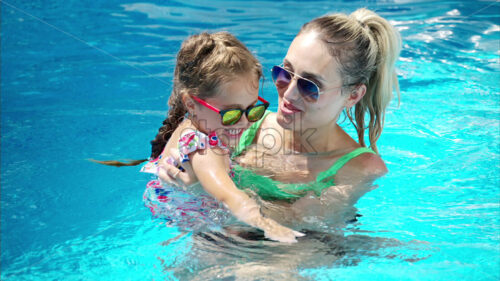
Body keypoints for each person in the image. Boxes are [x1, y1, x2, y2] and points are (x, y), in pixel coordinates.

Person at [159, 8, 402, 227]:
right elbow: (179, 146)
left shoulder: (359, 168)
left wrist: (203, 188)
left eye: (309, 86)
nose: (289, 93)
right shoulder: (244, 123)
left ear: (353, 96)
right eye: (284, 73)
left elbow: (297, 224)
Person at [94, 32, 304, 242]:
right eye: (230, 114)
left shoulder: (195, 125)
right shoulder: (203, 147)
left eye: (252, 109)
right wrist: (268, 225)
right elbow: (227, 195)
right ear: (192, 104)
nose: (244, 122)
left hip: (184, 217)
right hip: (204, 232)